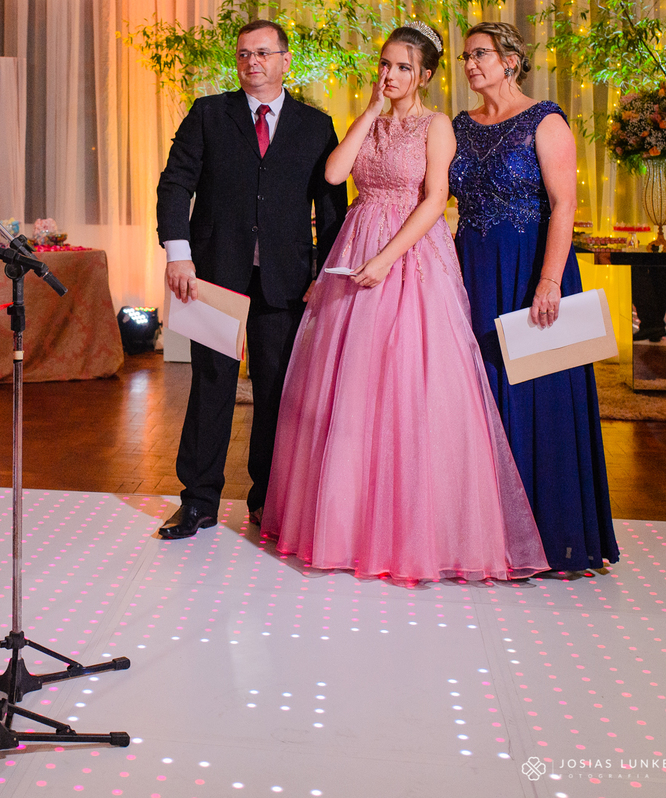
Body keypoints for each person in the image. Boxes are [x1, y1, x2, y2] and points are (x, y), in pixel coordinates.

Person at [260, 23, 548, 583]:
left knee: (410, 384)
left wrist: (388, 258)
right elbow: (335, 173)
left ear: (425, 75)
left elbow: (437, 198)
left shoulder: (438, 124)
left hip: (410, 255)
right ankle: (348, 523)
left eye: (401, 68)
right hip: (357, 239)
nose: (389, 75)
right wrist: (369, 112)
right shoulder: (371, 120)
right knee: (351, 386)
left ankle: (416, 532)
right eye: (384, 65)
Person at [155, 18, 347, 539]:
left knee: (276, 393)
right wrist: (178, 254)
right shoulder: (208, 115)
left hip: (285, 282)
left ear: (286, 60)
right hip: (213, 279)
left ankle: (269, 501)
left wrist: (323, 276)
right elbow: (174, 186)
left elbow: (332, 211)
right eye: (243, 54)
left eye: (262, 53)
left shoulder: (316, 125)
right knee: (210, 387)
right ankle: (197, 503)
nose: (251, 62)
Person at [450, 21, 619, 573]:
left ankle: (551, 535)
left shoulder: (545, 120)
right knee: (478, 393)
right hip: (472, 269)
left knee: (539, 392)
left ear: (510, 60)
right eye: (466, 56)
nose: (471, 64)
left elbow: (563, 206)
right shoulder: (459, 125)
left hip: (531, 269)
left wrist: (549, 281)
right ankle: (485, 532)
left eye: (481, 54)